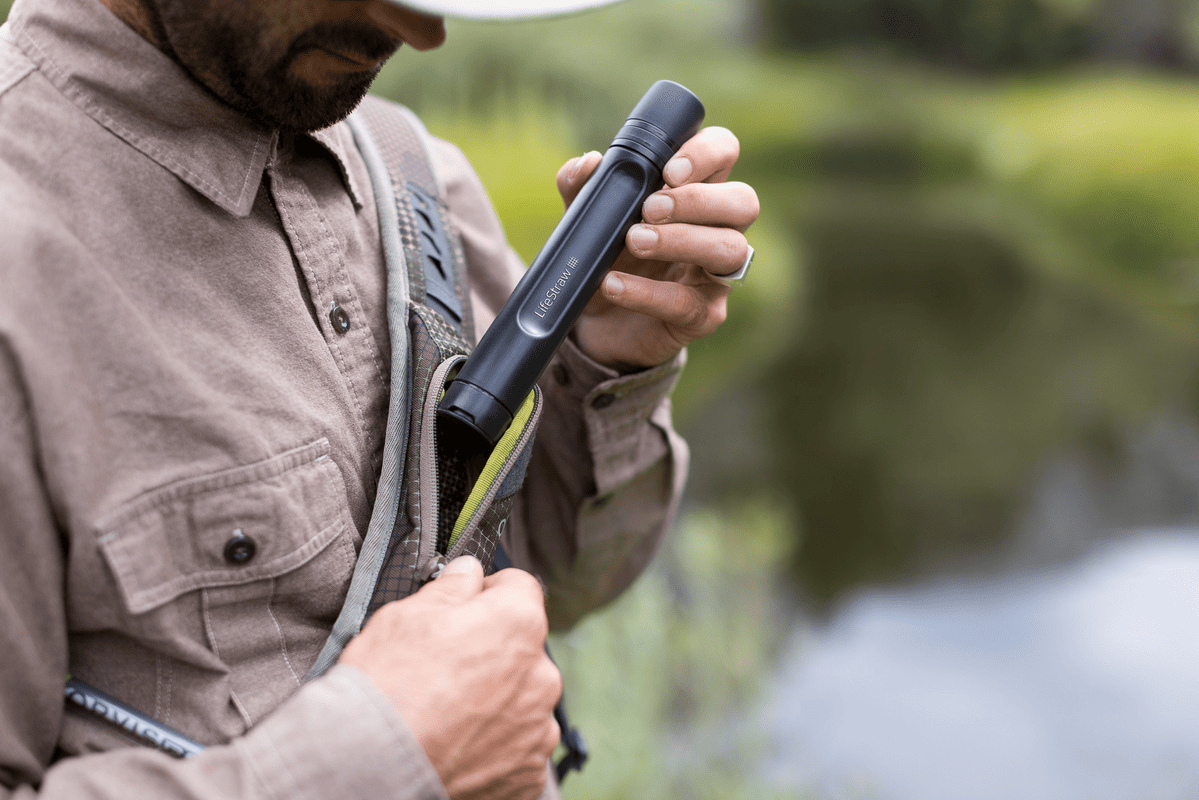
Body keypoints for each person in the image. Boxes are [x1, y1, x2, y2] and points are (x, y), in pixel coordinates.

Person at [0, 0, 759, 798]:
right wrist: (382, 759)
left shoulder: (415, 176)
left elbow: (559, 584)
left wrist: (608, 357)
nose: (423, 29)